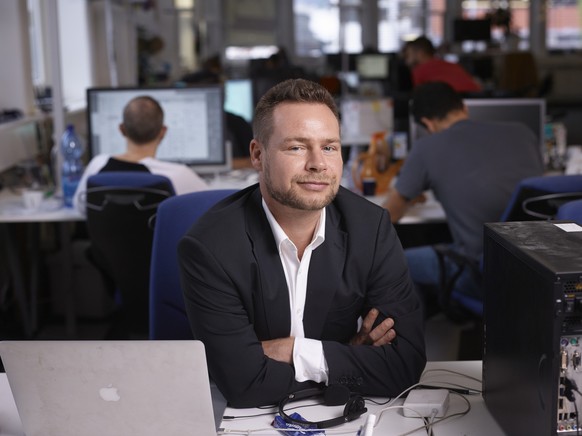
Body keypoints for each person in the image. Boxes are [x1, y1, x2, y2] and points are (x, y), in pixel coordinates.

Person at [178, 79, 426, 408]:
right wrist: (347, 357)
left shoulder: (371, 228)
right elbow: (243, 384)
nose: (317, 164)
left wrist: (294, 351)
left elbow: (405, 365)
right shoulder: (210, 246)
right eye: (296, 147)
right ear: (257, 155)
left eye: (329, 147)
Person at [383, 81, 544, 318]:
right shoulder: (523, 132)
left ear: (427, 123)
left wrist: (408, 194)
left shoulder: (427, 146)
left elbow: (390, 215)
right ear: (464, 108)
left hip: (482, 276)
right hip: (539, 273)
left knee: (394, 266)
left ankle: (410, 350)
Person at [73, 95, 207, 212]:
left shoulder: (97, 166)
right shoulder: (179, 174)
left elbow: (79, 207)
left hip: (103, 242)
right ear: (163, 131)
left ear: (122, 129)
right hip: (159, 242)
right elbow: (213, 206)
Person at [404, 36, 482, 94]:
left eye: (408, 54)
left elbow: (418, 98)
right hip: (478, 101)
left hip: (450, 104)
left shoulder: (419, 71)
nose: (406, 59)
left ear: (420, 53)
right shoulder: (452, 65)